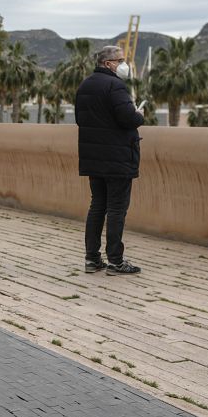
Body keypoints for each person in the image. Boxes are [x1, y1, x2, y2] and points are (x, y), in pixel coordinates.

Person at [75, 45, 144, 275]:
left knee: (97, 207)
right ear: (108, 63)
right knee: (116, 209)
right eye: (120, 60)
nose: (123, 64)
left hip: (94, 158)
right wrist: (139, 115)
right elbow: (127, 118)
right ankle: (115, 261)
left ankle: (92, 259)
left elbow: (80, 119)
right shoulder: (115, 85)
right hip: (117, 158)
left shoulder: (85, 85)